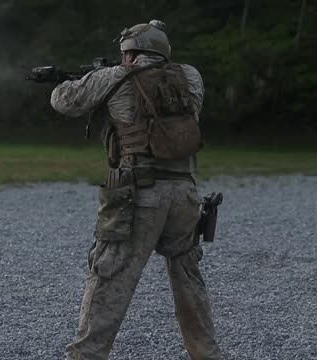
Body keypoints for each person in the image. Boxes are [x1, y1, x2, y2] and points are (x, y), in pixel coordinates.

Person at [50, 20, 222, 360]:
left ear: (129, 53)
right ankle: (207, 354)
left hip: (138, 196)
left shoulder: (115, 77)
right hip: (185, 196)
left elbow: (63, 101)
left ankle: (86, 356)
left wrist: (75, 80)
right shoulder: (191, 78)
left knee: (108, 278)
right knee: (189, 282)